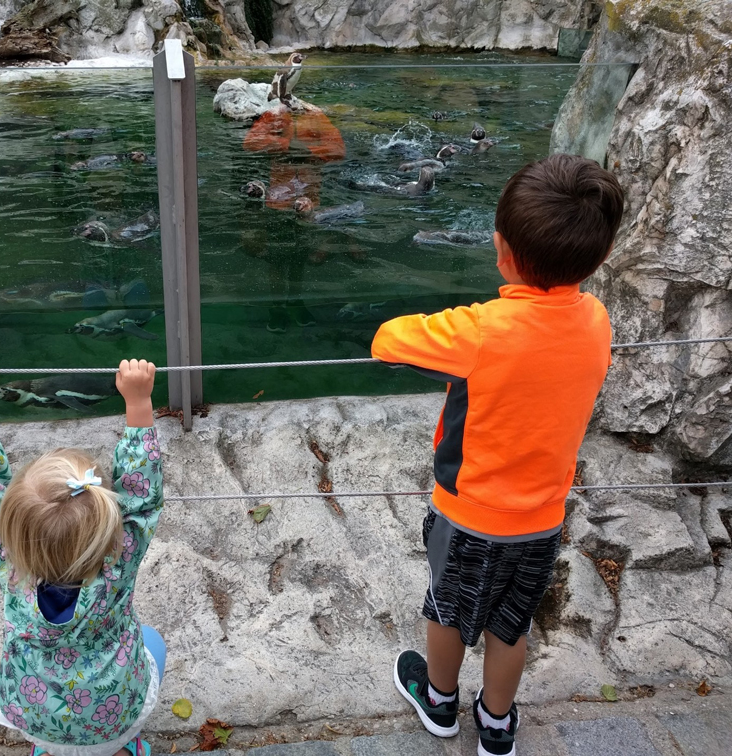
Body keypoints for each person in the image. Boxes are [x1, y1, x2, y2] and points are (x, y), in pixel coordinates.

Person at [371, 153, 623, 756]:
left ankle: (437, 701)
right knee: (512, 624)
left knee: (448, 610)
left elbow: (387, 340)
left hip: (468, 516)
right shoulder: (596, 320)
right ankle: (497, 724)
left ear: (500, 249)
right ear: (601, 256)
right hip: (542, 518)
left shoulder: (479, 329)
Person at [0, 358, 165, 756]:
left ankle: (50, 749)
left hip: (32, 712)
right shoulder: (119, 563)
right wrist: (139, 400)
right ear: (111, 524)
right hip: (112, 711)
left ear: (10, 531)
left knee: (58, 731)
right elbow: (142, 495)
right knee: (153, 641)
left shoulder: (7, 565)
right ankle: (122, 748)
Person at [242, 101, 346, 333]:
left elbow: (338, 150)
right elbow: (250, 143)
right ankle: (277, 305)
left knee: (300, 256)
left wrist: (308, 150)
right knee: (277, 258)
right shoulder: (274, 114)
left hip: (309, 198)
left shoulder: (316, 115)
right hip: (278, 201)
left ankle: (295, 301)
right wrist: (287, 144)